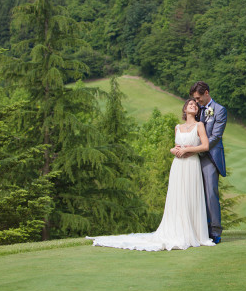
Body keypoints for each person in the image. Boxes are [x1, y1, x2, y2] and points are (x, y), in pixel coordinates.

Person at [87, 98, 215, 251]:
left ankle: (193, 232)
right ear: (185, 109)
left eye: (195, 105)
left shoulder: (199, 125)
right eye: (190, 104)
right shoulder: (178, 127)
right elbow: (174, 147)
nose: (193, 106)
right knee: (178, 196)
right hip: (178, 165)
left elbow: (205, 146)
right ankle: (177, 229)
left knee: (190, 195)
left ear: (197, 110)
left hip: (191, 164)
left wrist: (187, 150)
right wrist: (174, 151)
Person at [188, 81, 227, 244]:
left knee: (211, 193)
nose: (197, 102)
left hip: (210, 156)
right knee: (195, 193)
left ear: (206, 93)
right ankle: (198, 229)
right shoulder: (197, 109)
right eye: (194, 99)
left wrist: (198, 148)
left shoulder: (219, 110)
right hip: (193, 157)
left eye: (199, 98)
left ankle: (215, 232)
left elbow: (216, 136)